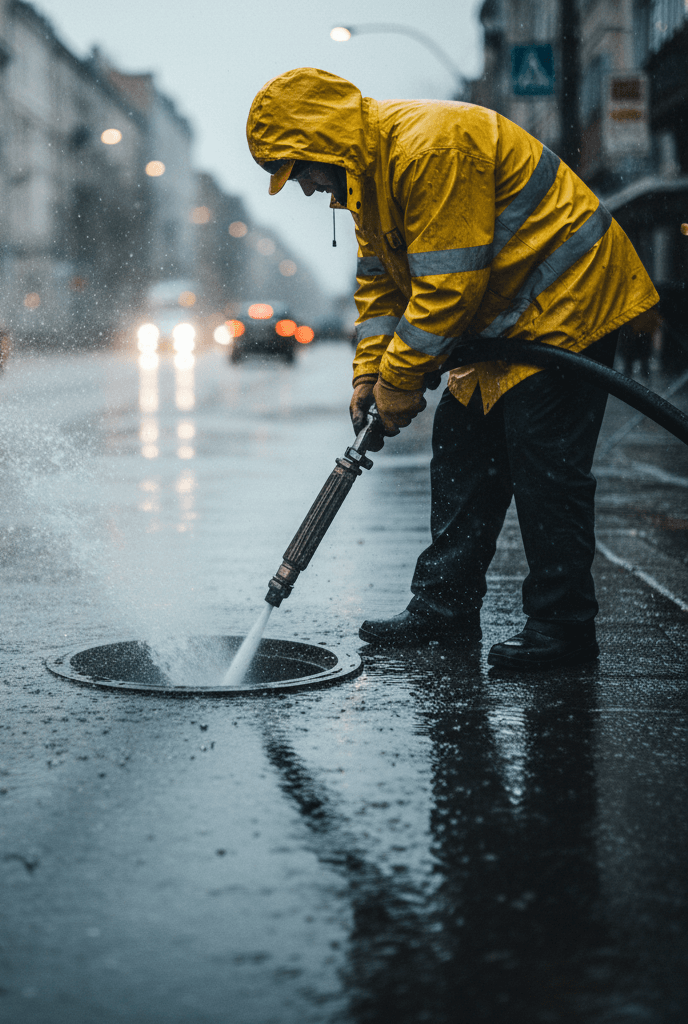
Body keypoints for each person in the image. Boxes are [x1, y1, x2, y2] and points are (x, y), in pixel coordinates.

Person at [246, 68, 659, 669]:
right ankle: (444, 610)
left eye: (300, 171)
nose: (307, 188)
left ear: (323, 143)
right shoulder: (368, 179)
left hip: (567, 307)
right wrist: (369, 376)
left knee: (544, 469)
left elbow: (447, 286)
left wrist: (400, 380)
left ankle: (562, 630)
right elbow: (382, 288)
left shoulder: (431, 147)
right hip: (503, 326)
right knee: (463, 451)